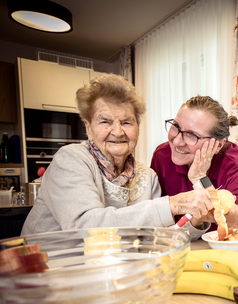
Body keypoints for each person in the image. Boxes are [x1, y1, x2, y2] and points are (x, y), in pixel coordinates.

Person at [21, 74, 211, 238]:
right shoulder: (70, 160)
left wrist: (194, 224)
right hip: (44, 268)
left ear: (138, 127)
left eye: (127, 122)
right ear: (88, 127)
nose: (118, 132)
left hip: (106, 270)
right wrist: (171, 204)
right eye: (105, 121)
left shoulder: (147, 176)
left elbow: (157, 237)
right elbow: (86, 228)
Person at [150, 96, 238, 232]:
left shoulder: (236, 163)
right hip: (178, 243)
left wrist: (200, 178)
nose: (176, 142)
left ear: (219, 145)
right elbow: (155, 214)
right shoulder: (162, 155)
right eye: (175, 127)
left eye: (192, 135)